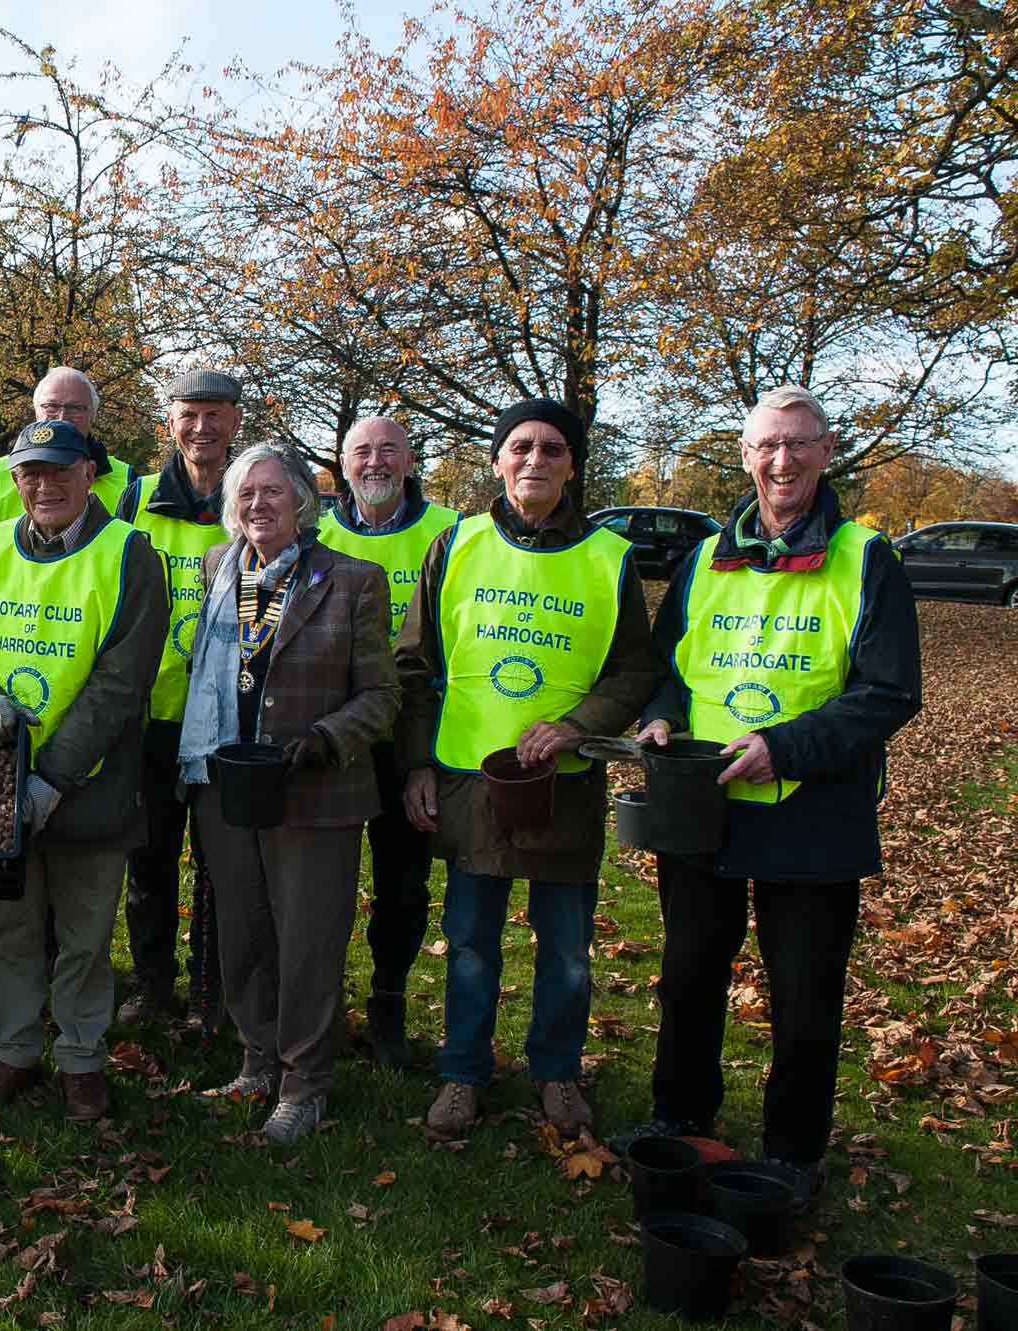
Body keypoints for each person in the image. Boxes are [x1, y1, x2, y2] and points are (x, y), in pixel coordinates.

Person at [612, 385, 921, 1208]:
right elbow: (670, 668)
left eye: (799, 443)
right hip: (701, 806)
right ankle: (679, 1120)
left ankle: (792, 1152)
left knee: (805, 995)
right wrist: (658, 718)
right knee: (687, 976)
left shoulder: (868, 558)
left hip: (812, 814)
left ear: (826, 451)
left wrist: (784, 746)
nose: (781, 461)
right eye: (766, 446)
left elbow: (888, 692)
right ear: (746, 457)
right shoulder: (704, 556)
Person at [394, 398, 658, 1138]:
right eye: (520, 447)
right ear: (497, 458)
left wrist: (578, 726)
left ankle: (557, 1071)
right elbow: (415, 664)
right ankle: (462, 1073)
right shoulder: (457, 545)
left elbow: (634, 670)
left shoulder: (610, 558)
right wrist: (416, 764)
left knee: (567, 947)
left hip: (564, 785)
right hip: (470, 781)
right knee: (471, 939)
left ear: (573, 464)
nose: (535, 461)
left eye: (551, 449)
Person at [0, 419, 166, 1122]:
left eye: (61, 470)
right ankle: (12, 1048)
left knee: (84, 935)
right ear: (15, 482)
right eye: (31, 473)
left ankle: (82, 1058)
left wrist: (51, 778)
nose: (46, 485)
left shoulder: (130, 554)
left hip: (88, 790)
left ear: (90, 475)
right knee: (7, 928)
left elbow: (120, 685)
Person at [179, 443, 400, 1142]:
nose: (258, 505)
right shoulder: (219, 568)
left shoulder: (352, 580)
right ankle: (257, 1058)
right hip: (227, 782)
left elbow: (382, 695)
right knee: (243, 933)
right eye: (245, 495)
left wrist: (324, 739)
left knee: (307, 941)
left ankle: (305, 1083)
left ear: (303, 501)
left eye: (273, 492)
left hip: (313, 789)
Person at [313, 417, 462, 1066]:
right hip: (334, 740)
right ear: (342, 465)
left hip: (410, 743)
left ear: (409, 460)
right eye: (361, 451)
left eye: (388, 450)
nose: (374, 462)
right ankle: (319, 1007)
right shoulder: (314, 530)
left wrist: (423, 755)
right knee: (324, 887)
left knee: (402, 887)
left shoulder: (452, 533)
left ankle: (388, 1004)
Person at [115, 369, 242, 1030]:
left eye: (215, 415)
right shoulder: (135, 500)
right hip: (152, 716)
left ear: (235, 424)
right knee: (150, 862)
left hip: (226, 720)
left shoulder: (253, 496)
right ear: (171, 422)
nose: (202, 428)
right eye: (190, 414)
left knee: (221, 864)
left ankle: (210, 991)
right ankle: (151, 983)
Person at [0, 368, 133, 537]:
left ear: (93, 414)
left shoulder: (126, 480)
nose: (62, 417)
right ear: (36, 411)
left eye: (75, 408)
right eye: (51, 407)